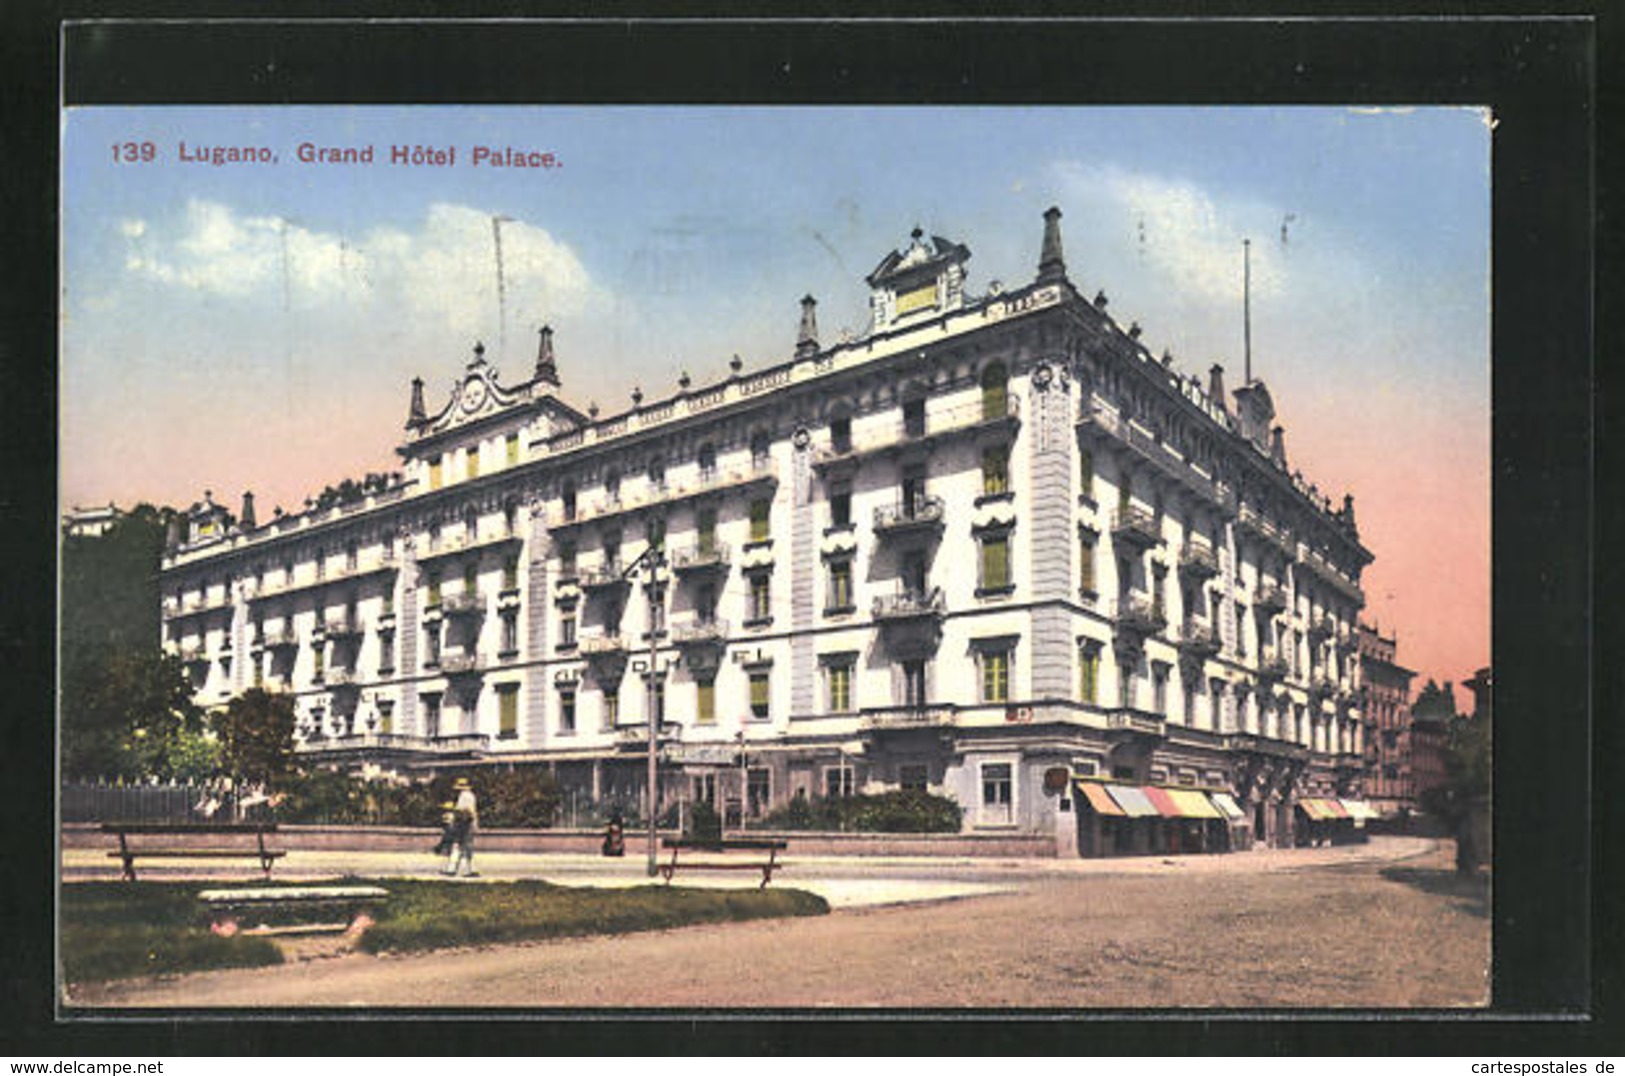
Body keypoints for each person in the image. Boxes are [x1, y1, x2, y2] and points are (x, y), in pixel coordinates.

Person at [443, 777, 479, 877]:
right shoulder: (471, 796)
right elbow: (472, 812)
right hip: (467, 824)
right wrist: (475, 823)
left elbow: (459, 811)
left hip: (460, 824)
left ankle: (451, 868)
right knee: (466, 848)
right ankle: (466, 870)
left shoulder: (462, 797)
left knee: (457, 846)